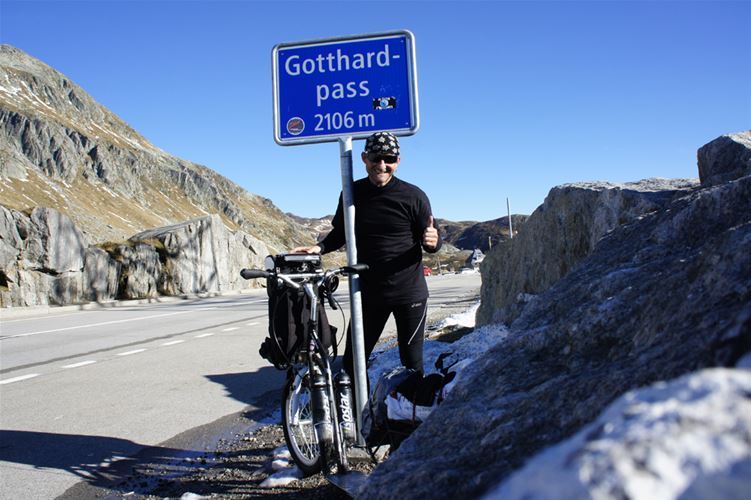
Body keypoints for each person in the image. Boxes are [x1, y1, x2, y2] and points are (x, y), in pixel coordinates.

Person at [292, 131, 441, 379]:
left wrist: (435, 243)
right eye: (376, 158)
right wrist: (319, 248)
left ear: (398, 161)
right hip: (369, 295)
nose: (382, 165)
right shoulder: (352, 193)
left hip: (410, 294)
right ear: (364, 158)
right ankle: (356, 416)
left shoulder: (414, 196)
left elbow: (431, 238)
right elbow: (341, 232)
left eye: (389, 159)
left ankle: (407, 415)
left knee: (412, 365)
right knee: (351, 365)